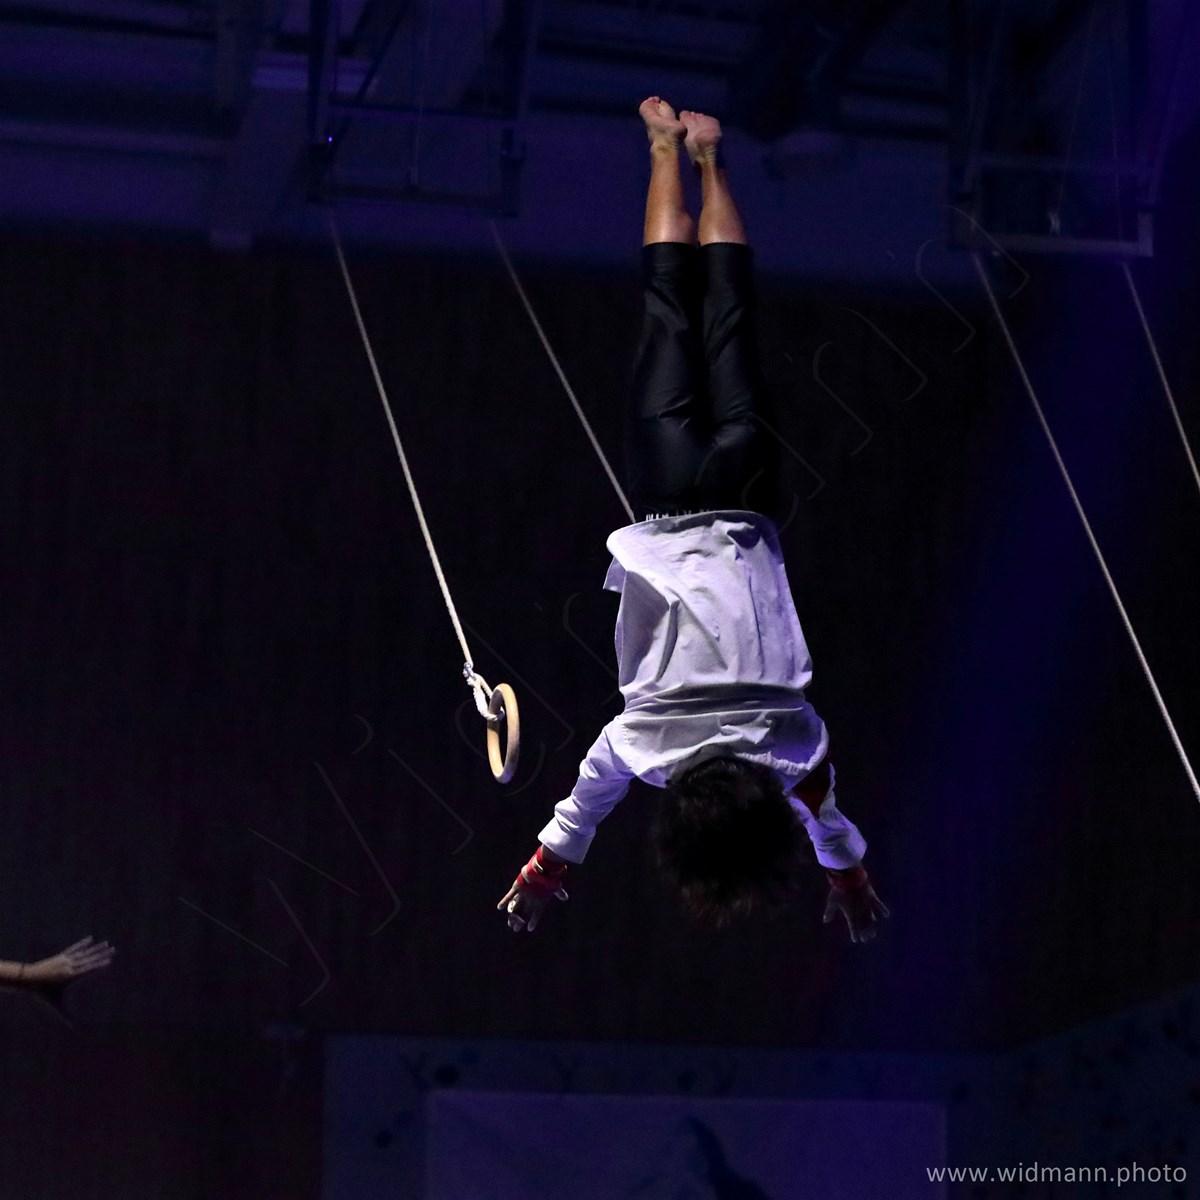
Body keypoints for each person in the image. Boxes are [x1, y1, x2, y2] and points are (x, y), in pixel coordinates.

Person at [497, 98, 888, 942]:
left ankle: (709, 156)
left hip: (746, 490)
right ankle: (663, 148)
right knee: (670, 308)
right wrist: (541, 874)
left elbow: (824, 816)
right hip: (670, 489)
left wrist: (852, 881)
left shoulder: (796, 748)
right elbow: (584, 803)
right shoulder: (643, 748)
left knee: (730, 314)